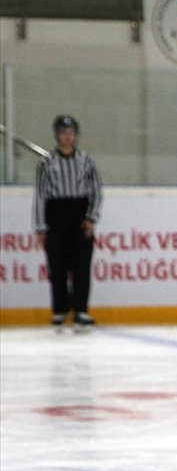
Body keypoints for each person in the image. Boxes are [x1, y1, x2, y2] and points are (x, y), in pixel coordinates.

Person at [33, 114, 101, 333]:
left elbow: (96, 191)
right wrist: (41, 227)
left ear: (76, 136)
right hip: (57, 215)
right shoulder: (47, 162)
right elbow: (41, 195)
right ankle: (60, 310)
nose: (67, 137)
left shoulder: (86, 160)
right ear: (56, 135)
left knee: (82, 265)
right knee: (58, 265)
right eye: (63, 133)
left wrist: (91, 217)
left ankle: (81, 310)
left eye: (70, 133)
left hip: (79, 215)